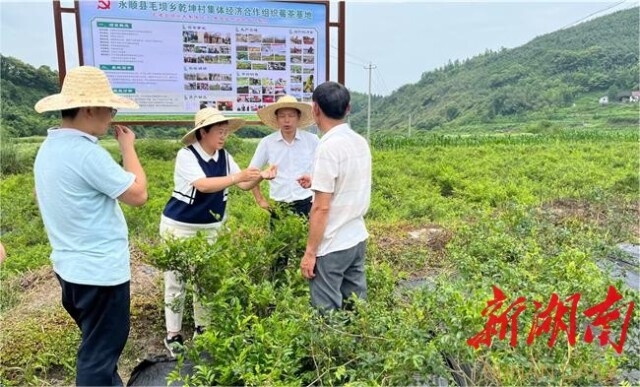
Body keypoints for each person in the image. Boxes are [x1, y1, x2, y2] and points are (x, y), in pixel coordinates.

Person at [33, 66, 147, 385]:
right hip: (100, 275)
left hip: (71, 270)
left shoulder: (50, 148)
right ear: (90, 109)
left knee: (99, 350)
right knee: (97, 359)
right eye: (109, 109)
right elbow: (138, 194)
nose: (111, 116)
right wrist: (128, 148)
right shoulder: (84, 153)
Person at [161, 107, 276, 357]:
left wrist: (261, 177)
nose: (223, 136)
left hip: (211, 228)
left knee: (206, 281)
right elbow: (203, 185)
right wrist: (237, 178)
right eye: (219, 132)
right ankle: (173, 334)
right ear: (203, 132)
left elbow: (244, 183)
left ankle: (203, 327)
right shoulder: (187, 155)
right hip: (180, 227)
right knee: (176, 281)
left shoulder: (224, 156)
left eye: (226, 132)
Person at [299, 82, 372, 312]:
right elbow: (350, 181)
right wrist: (316, 182)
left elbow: (321, 208)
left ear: (315, 109)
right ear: (348, 108)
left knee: (326, 313)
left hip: (332, 244)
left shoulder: (327, 147)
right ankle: (358, 346)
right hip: (356, 237)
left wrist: (310, 252)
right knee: (356, 309)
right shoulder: (359, 141)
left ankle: (329, 350)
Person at [251, 95, 318, 276]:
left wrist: (312, 178)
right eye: (282, 116)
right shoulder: (267, 143)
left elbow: (324, 169)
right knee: (278, 254)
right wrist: (260, 199)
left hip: (305, 204)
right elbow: (252, 172)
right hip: (279, 206)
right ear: (277, 118)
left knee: (304, 251)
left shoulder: (312, 141)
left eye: (291, 115)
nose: (287, 120)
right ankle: (276, 295)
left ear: (298, 117)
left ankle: (303, 292)